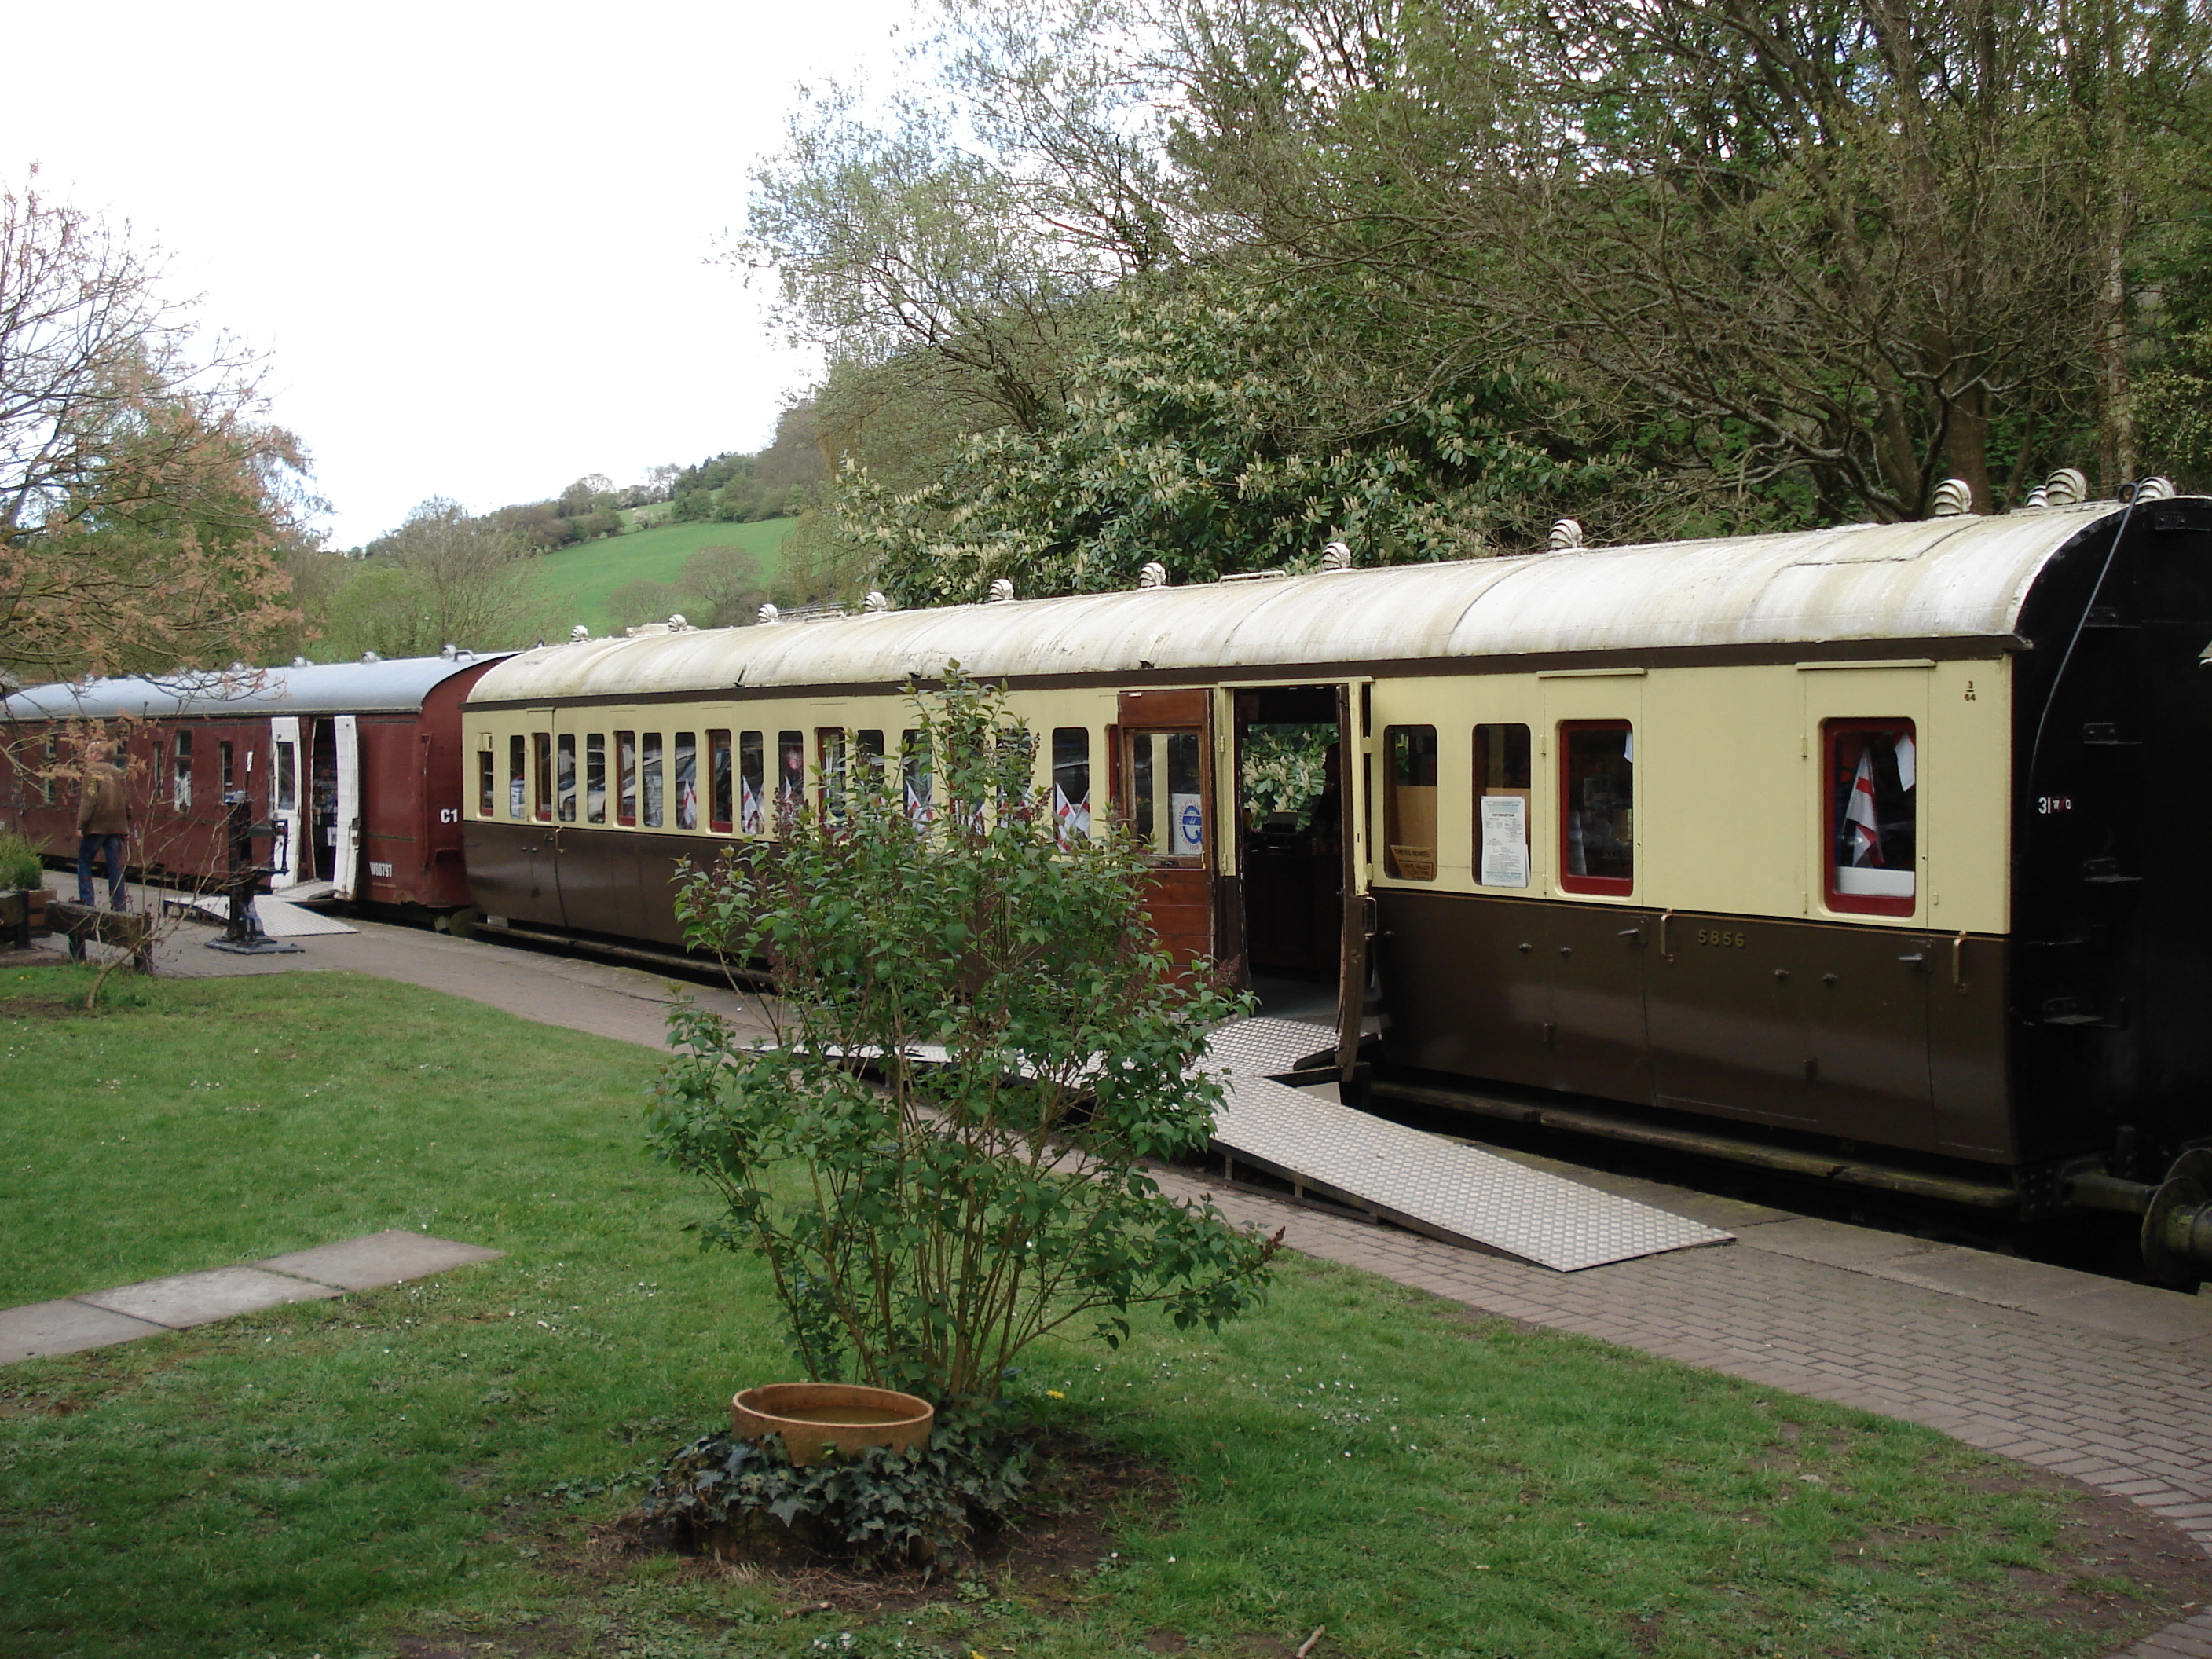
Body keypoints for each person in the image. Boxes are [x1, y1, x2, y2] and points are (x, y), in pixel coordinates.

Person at [75, 742, 130, 909]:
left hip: (96, 827)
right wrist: (126, 823)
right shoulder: (118, 773)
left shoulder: (91, 772)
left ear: (95, 754)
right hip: (116, 827)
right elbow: (126, 802)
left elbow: (88, 802)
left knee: (84, 862)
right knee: (115, 866)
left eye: (88, 753)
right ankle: (119, 905)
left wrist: (80, 825)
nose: (85, 756)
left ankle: (88, 902)